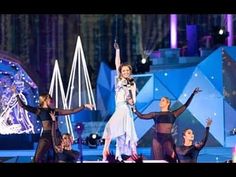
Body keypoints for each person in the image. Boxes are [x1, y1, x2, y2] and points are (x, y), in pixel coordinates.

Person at [16, 92, 93, 163]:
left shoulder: (54, 111)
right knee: (37, 158)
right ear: (45, 100)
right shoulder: (39, 110)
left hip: (56, 135)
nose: (52, 100)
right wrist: (17, 95)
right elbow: (23, 106)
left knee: (57, 155)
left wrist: (84, 106)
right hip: (46, 136)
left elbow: (71, 111)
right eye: (50, 98)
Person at [133, 87, 201, 163]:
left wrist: (193, 94)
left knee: (173, 158)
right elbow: (141, 116)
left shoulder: (173, 114)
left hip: (167, 139)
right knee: (158, 161)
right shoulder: (155, 114)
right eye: (160, 101)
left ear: (168, 103)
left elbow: (185, 105)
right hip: (156, 139)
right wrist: (134, 109)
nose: (160, 102)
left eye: (163, 100)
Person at [102, 41, 138, 161]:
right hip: (119, 109)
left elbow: (133, 102)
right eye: (124, 71)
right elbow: (118, 64)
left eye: (128, 70)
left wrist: (128, 95)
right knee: (117, 133)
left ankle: (130, 156)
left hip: (125, 110)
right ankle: (113, 154)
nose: (125, 72)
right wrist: (117, 51)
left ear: (130, 71)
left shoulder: (132, 84)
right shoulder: (119, 79)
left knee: (114, 129)